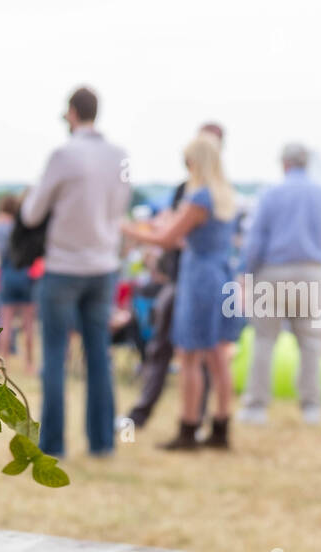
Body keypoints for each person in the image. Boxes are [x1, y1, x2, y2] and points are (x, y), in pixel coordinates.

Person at [21, 87, 130, 458]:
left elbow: (32, 213)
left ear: (71, 113)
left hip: (63, 266)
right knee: (99, 355)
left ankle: (53, 445)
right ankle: (102, 442)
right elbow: (119, 212)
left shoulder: (63, 155)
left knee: (55, 356)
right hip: (103, 267)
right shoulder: (119, 156)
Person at [122, 134, 238, 450]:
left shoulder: (200, 198)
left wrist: (128, 230)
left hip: (200, 279)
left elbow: (168, 239)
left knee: (189, 354)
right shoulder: (223, 195)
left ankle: (188, 428)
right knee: (217, 356)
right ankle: (220, 427)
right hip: (220, 276)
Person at [238, 142, 321, 425]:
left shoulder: (270, 195)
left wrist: (245, 272)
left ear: (284, 163)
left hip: (272, 273)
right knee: (312, 342)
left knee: (265, 339)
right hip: (312, 272)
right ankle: (311, 408)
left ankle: (256, 409)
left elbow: (255, 241)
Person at [0, 192, 39, 365]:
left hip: (7, 274)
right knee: (28, 323)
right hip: (25, 274)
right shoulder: (23, 226)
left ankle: (4, 360)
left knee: (5, 322)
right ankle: (29, 363)